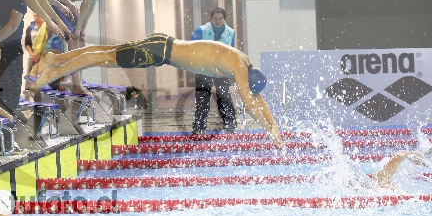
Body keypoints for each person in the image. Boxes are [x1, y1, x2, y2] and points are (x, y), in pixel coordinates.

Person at [28, 34, 285, 148]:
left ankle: (55, 59)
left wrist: (275, 130)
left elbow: (257, 100)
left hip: (162, 43)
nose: (240, 86)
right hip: (159, 52)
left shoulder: (243, 60)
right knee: (103, 58)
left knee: (104, 52)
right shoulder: (238, 68)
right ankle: (53, 72)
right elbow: (250, 102)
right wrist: (270, 130)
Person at [56, 0, 123, 94]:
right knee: (74, 42)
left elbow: (92, 3)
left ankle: (77, 81)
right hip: (58, 3)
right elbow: (85, 3)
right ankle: (76, 85)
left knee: (80, 42)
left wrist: (83, 27)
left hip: (66, 4)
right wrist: (78, 28)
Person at [190, 8, 237, 134]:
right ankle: (199, 127)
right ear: (211, 19)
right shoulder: (201, 31)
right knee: (202, 98)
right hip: (203, 69)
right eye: (215, 18)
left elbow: (231, 51)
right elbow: (190, 48)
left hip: (221, 70)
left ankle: (230, 126)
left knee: (224, 97)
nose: (217, 21)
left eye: (220, 18)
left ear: (224, 19)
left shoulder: (230, 32)